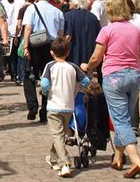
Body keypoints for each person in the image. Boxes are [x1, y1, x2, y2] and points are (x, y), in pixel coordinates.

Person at [85, 0, 140, 178]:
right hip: (134, 76)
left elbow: (96, 57)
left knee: (120, 120)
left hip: (114, 76)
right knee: (123, 115)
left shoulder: (107, 30)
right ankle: (118, 157)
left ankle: (135, 160)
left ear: (110, 10)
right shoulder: (135, 30)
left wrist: (88, 67)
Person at [41, 38, 90, 178]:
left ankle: (65, 163)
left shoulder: (50, 66)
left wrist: (46, 92)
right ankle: (52, 158)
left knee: (57, 135)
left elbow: (44, 84)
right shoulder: (73, 67)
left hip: (54, 105)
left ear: (51, 53)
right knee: (61, 134)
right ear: (68, 53)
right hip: (69, 106)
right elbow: (85, 81)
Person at [22, 0, 65, 123]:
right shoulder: (57, 11)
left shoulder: (31, 8)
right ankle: (45, 109)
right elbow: (60, 34)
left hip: (35, 46)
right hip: (50, 47)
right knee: (48, 78)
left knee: (29, 76)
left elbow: (28, 28)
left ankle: (32, 107)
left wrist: (26, 46)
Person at [63, 0, 100, 67]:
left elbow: (68, 36)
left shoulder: (69, 16)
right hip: (90, 53)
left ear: (76, 3)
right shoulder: (93, 17)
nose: (69, 3)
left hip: (74, 54)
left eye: (70, 1)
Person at [2, 0, 26, 83]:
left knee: (10, 55)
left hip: (10, 32)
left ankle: (13, 74)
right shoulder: (21, 2)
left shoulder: (2, 2)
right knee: (16, 55)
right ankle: (16, 74)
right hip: (16, 31)